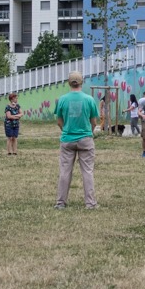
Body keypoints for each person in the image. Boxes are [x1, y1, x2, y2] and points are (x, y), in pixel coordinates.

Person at [54, 71, 99, 209]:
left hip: (67, 139)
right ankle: (90, 203)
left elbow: (59, 121)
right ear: (82, 82)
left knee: (65, 171)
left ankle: (61, 202)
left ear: (69, 82)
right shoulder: (89, 99)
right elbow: (94, 122)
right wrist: (88, 133)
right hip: (85, 138)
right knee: (87, 171)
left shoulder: (62, 99)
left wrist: (66, 131)